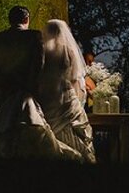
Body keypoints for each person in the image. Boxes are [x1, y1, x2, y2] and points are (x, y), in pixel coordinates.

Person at [0, 6, 82, 161]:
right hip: (26, 95)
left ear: (10, 20)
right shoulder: (34, 36)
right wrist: (28, 86)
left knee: (6, 139)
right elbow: (38, 65)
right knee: (30, 138)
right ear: (27, 19)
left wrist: (3, 82)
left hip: (4, 94)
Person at [38, 20, 96, 163]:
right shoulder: (68, 50)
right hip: (65, 96)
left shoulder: (42, 49)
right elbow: (75, 76)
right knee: (74, 130)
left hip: (46, 97)